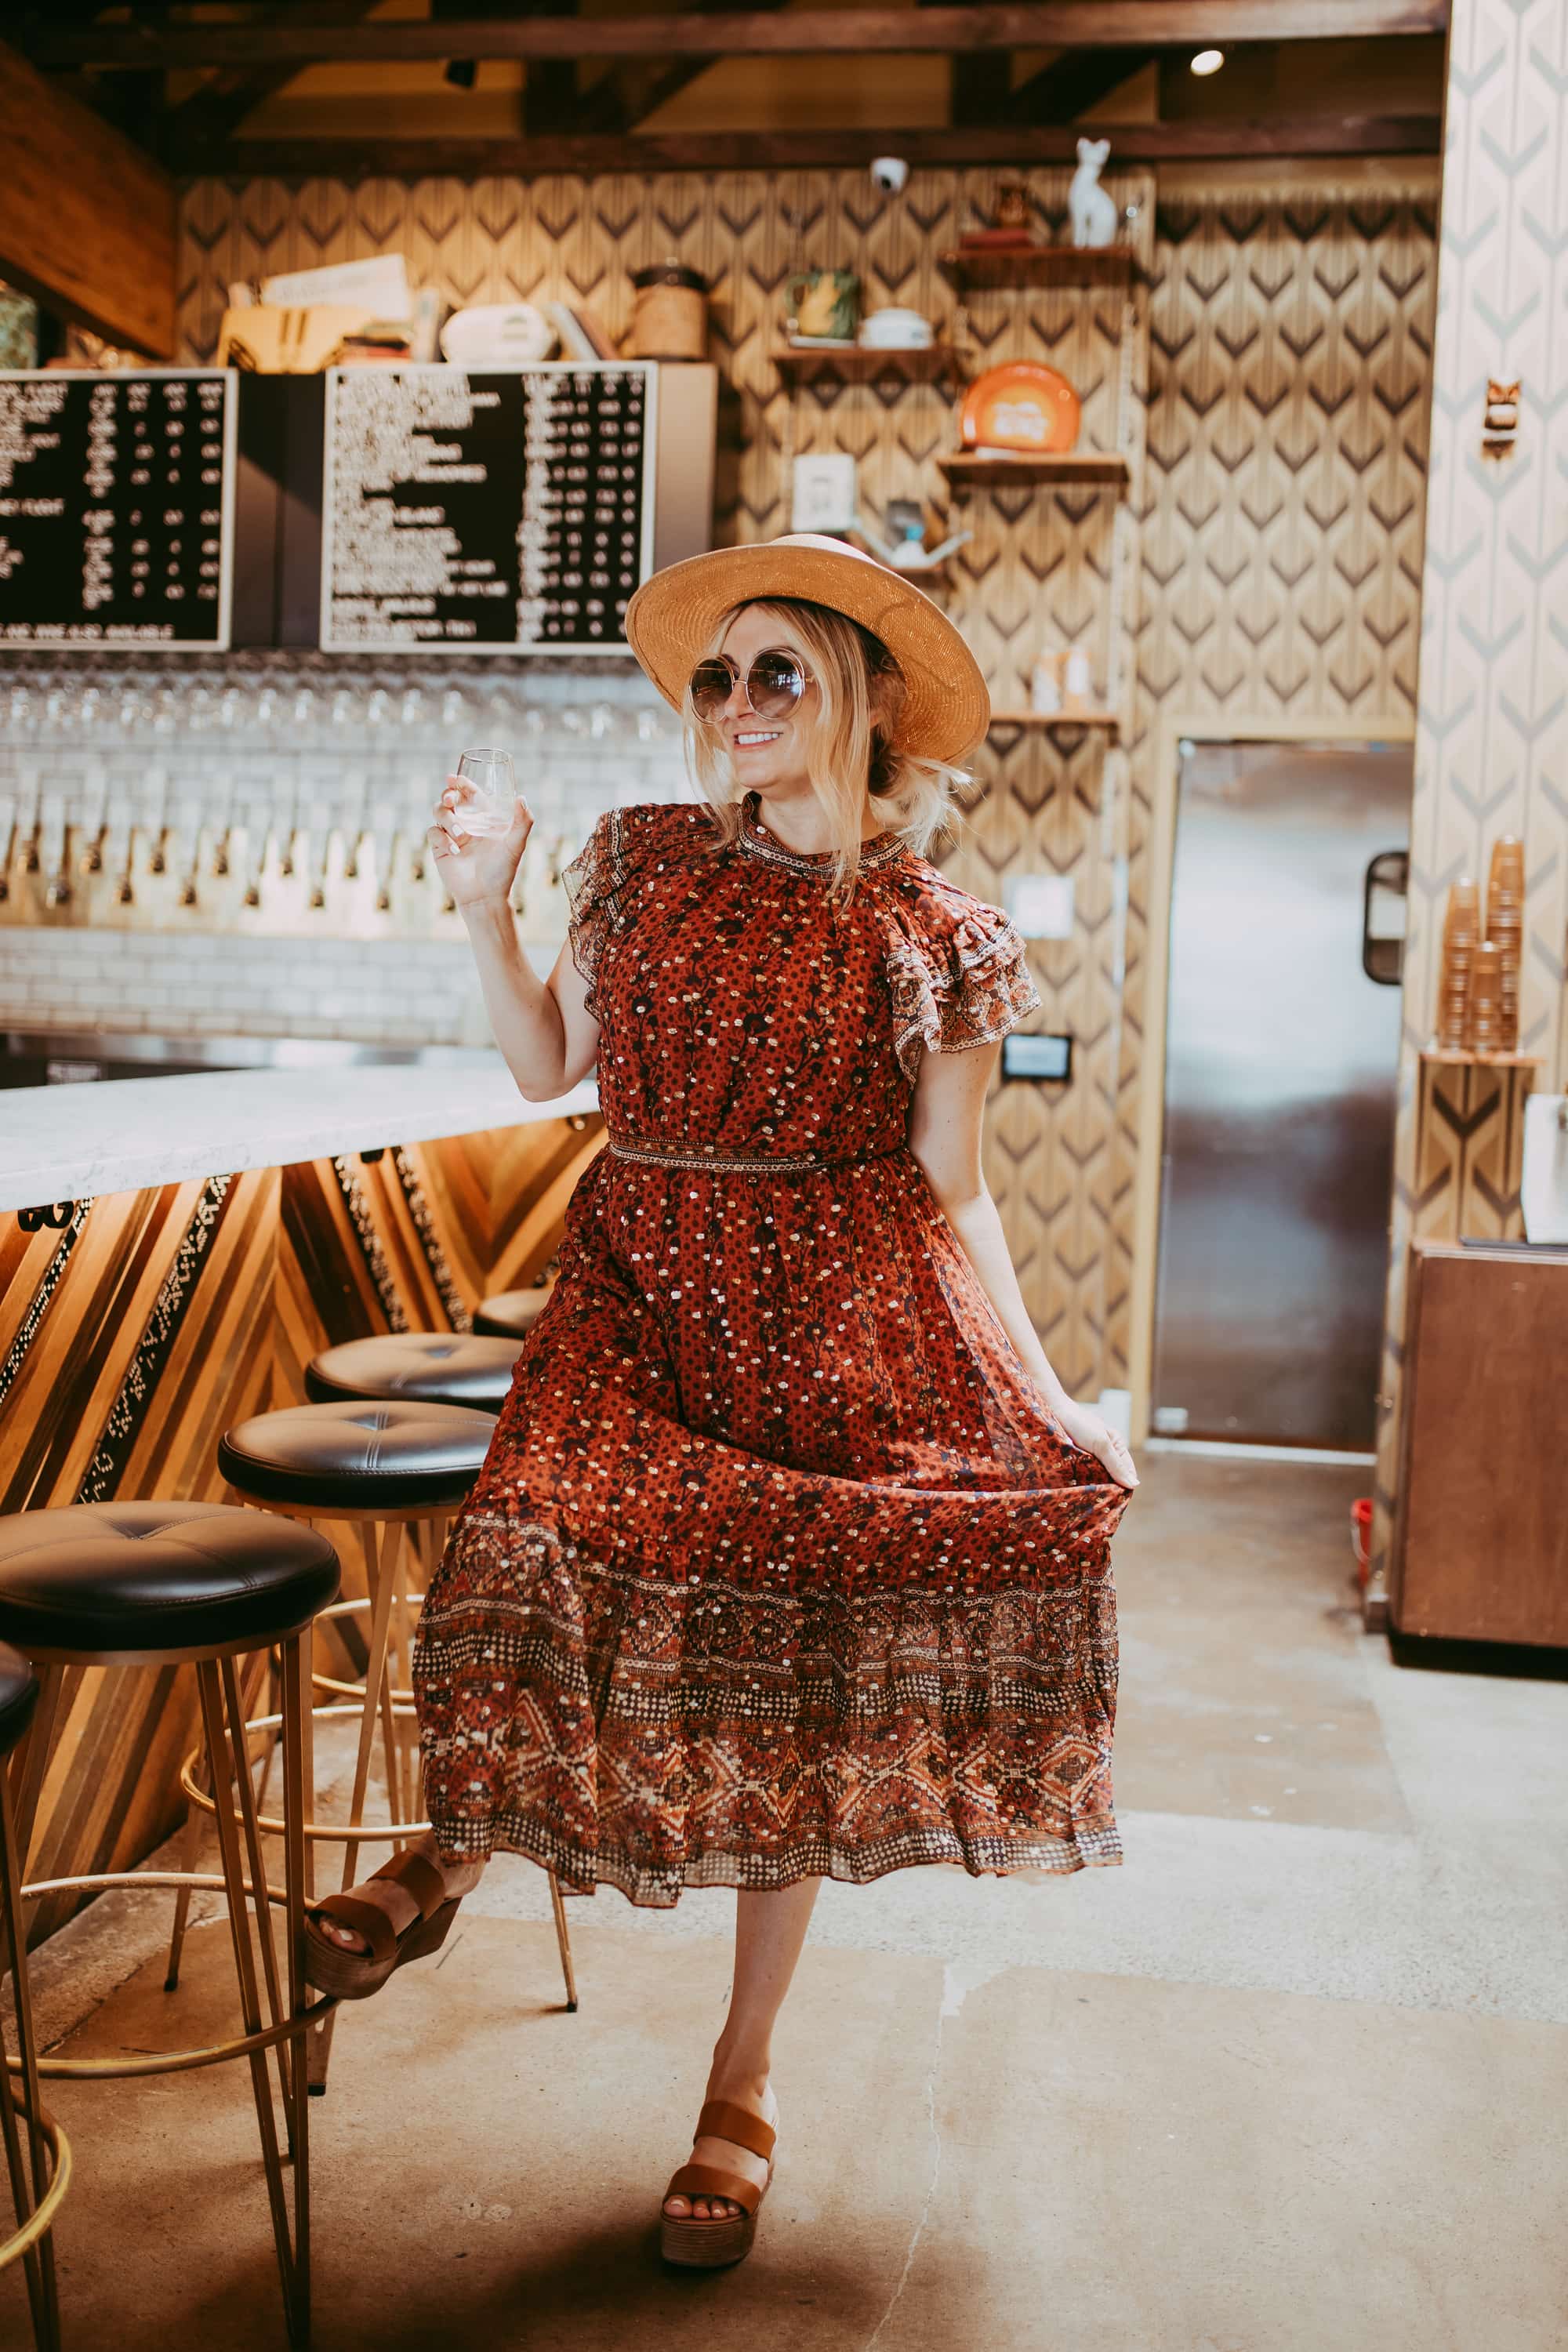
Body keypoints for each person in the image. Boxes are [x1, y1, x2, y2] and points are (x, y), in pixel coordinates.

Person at [303, 534, 1138, 2270]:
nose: (739, 705)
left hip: (828, 1320)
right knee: (529, 1549)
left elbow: (955, 1189)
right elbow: (548, 1069)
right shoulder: (644, 863)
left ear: (864, 700)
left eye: (779, 672)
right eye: (716, 676)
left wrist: (1054, 1403)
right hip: (634, 1277)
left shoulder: (940, 934)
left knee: (786, 1709)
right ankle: (447, 1862)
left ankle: (737, 2090)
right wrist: (483, 901)